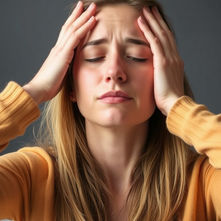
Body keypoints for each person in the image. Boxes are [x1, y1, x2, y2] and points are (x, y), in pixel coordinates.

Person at [0, 0, 221, 220]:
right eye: (94, 57)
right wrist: (35, 90)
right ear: (69, 84)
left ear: (166, 73)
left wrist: (176, 103)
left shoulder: (203, 183)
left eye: (136, 56)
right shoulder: (30, 177)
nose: (114, 71)